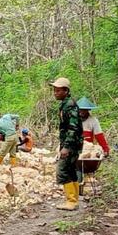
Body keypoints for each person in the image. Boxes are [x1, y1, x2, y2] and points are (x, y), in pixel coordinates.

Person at [51, 78, 83, 211]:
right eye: (54, 90)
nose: (55, 93)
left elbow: (73, 127)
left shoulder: (69, 105)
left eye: (58, 90)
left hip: (72, 144)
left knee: (63, 170)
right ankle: (74, 200)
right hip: (71, 143)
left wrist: (67, 146)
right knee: (70, 170)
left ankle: (71, 201)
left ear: (66, 91)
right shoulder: (65, 104)